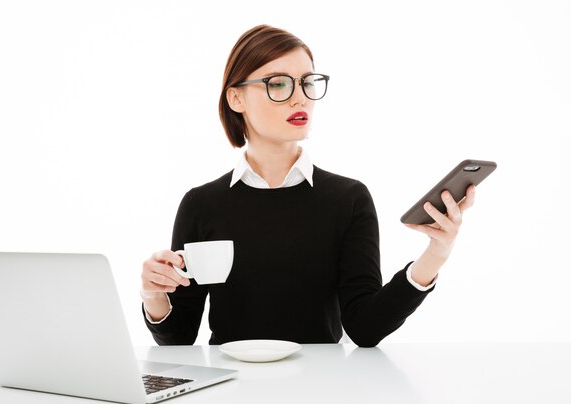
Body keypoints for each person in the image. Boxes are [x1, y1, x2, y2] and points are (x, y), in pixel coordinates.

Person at [140, 24, 475, 347]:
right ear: (236, 98)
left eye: (307, 83)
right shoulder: (201, 204)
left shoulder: (348, 199)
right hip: (231, 391)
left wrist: (435, 254)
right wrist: (154, 294)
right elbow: (180, 337)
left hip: (321, 392)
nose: (300, 98)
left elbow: (365, 327)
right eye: (279, 84)